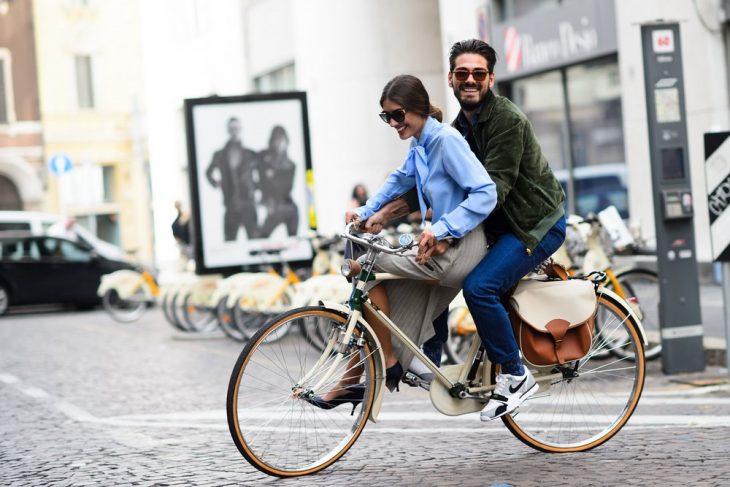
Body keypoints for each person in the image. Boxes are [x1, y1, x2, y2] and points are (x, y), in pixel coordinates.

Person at [360, 39, 567, 421]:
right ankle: (431, 359)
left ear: (490, 78)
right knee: (436, 275)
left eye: (477, 73)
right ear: (452, 79)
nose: (469, 80)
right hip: (492, 229)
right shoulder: (458, 127)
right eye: (461, 73)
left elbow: (493, 189)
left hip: (531, 226)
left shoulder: (506, 120)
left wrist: (447, 232)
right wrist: (376, 213)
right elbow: (412, 184)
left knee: (479, 287)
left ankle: (516, 376)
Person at [304, 74, 497, 409]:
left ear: (417, 108)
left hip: (461, 246)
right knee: (380, 303)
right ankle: (354, 381)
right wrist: (365, 211)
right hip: (441, 245)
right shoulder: (421, 142)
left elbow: (485, 193)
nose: (393, 123)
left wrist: (440, 229)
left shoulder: (445, 141)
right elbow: (399, 179)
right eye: (386, 117)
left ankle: (391, 361)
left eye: (397, 115)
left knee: (366, 266)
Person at [205, 117, 259, 241]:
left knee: (254, 242)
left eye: (237, 128)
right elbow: (208, 172)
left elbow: (262, 173)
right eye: (232, 129)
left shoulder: (250, 154)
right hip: (230, 204)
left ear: (241, 129)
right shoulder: (220, 154)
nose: (235, 131)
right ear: (228, 131)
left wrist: (255, 186)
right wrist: (217, 183)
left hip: (248, 204)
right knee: (230, 242)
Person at [257, 125, 299, 238]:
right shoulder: (263, 158)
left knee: (293, 240)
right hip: (270, 206)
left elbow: (287, 188)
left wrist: (272, 175)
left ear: (286, 142)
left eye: (282, 140)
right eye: (276, 139)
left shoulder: (290, 165)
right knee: (260, 237)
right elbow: (262, 183)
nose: (279, 143)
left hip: (286, 207)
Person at [171, 201, 192, 269]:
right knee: (184, 259)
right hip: (183, 243)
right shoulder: (176, 222)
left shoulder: (185, 215)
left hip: (188, 242)